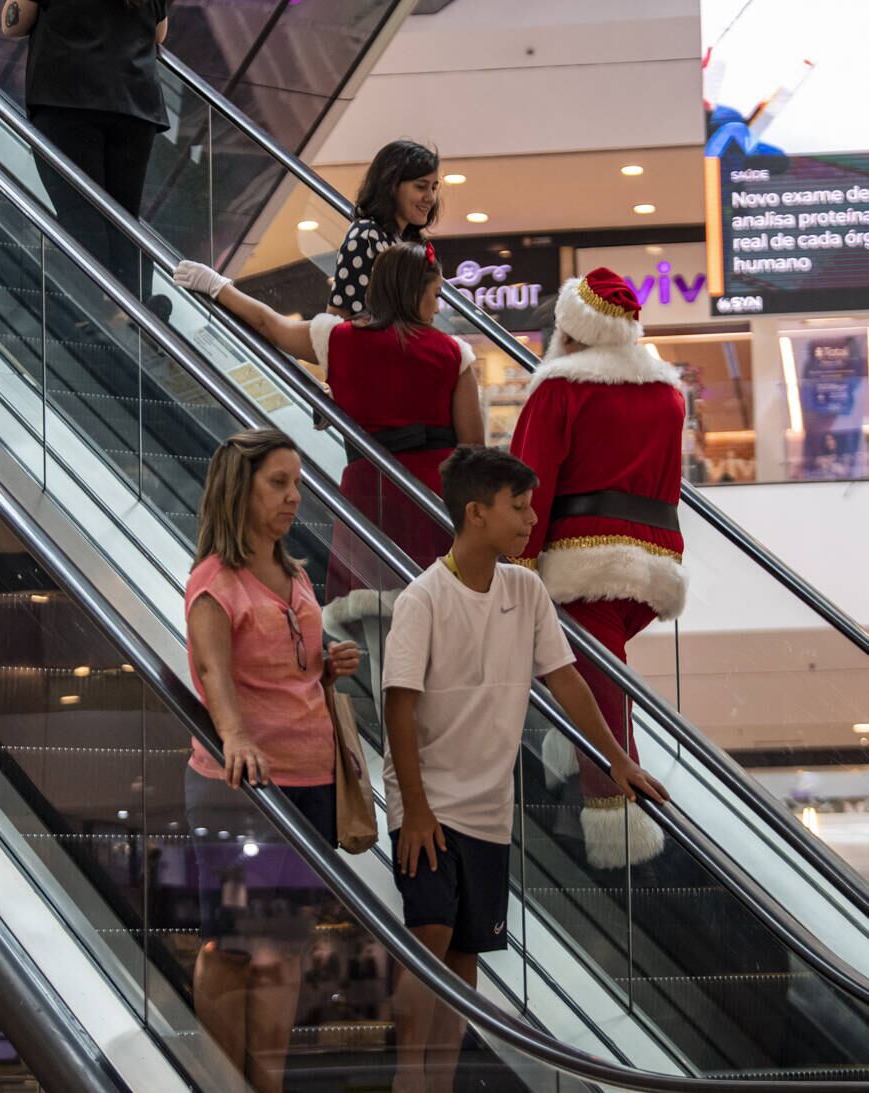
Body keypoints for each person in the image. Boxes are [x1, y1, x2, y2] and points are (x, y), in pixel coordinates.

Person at [381, 445, 668, 1093]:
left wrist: (616, 759)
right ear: (476, 512)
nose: (531, 519)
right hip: (428, 805)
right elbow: (398, 707)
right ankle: (406, 1077)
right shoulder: (423, 599)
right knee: (427, 935)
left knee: (465, 951)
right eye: (518, 507)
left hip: (488, 807)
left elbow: (567, 681)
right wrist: (416, 809)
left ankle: (441, 1079)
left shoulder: (525, 588)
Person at [173, 242, 483, 691]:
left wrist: (216, 285)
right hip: (432, 500)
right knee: (440, 641)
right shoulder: (454, 355)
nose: (437, 308)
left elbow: (268, 323)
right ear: (414, 293)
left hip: (367, 498)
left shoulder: (341, 341)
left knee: (383, 641)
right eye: (435, 295)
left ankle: (394, 738)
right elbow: (472, 448)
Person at [184, 427, 360, 1093]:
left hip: (311, 780)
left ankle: (269, 1083)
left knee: (284, 949)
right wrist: (234, 734)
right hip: (244, 786)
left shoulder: (296, 572)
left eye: (296, 483)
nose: (294, 496)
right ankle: (226, 1082)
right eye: (278, 483)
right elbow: (212, 669)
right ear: (241, 489)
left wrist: (327, 664)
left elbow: (290, 667)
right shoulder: (215, 579)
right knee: (233, 948)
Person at [508, 267, 687, 870]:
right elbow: (670, 482)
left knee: (595, 680)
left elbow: (528, 484)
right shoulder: (668, 394)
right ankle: (568, 739)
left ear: (572, 330)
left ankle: (622, 829)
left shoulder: (559, 388)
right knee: (593, 668)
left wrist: (518, 567)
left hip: (578, 562)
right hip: (653, 562)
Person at [1, 0, 170, 298]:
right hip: (134, 106)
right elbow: (159, 34)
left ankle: (98, 314)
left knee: (80, 214)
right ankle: (138, 312)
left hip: (67, 97)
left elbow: (12, 24)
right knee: (124, 219)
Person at [327, 140, 441, 318]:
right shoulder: (366, 235)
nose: (430, 198)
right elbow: (338, 317)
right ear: (391, 185)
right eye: (421, 186)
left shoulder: (404, 239)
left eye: (434, 187)